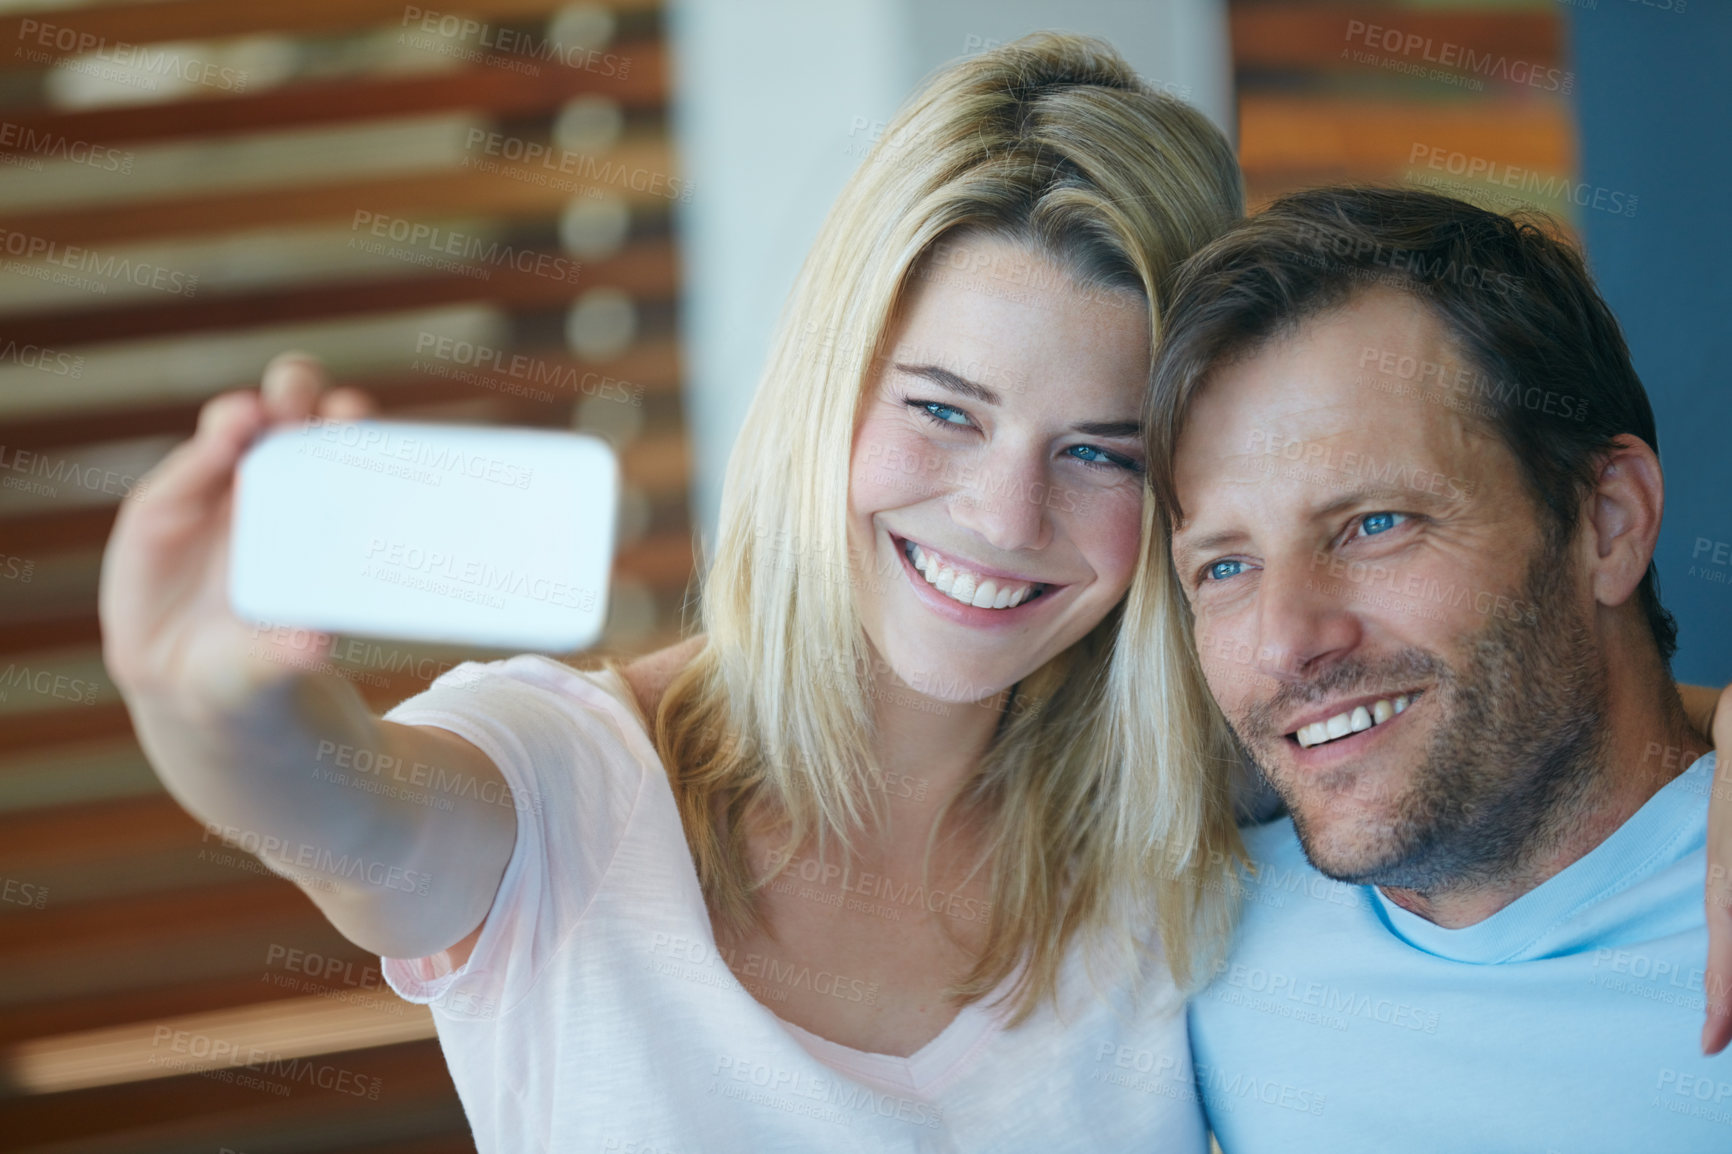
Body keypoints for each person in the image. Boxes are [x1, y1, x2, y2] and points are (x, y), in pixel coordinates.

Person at [99, 34, 1247, 1152]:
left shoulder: (1186, 830)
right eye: (944, 410)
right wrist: (202, 696)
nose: (1005, 516)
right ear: (823, 387)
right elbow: (344, 811)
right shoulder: (566, 786)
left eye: (1103, 453)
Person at [1147, 186, 1732, 1150]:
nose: (1286, 640)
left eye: (1375, 524)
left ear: (1609, 520)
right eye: (1225, 568)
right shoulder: (1183, 942)